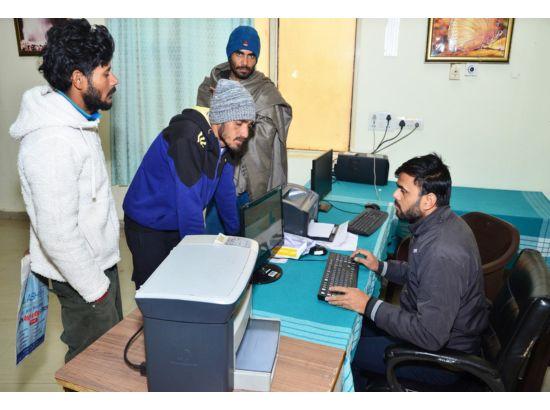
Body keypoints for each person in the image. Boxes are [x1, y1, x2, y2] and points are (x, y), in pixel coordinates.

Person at [326, 153, 490, 390]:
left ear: (428, 200)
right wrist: (380, 266)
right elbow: (419, 273)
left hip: (442, 360)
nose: (395, 194)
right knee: (353, 325)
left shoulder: (441, 252)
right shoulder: (440, 224)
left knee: (343, 350)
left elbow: (430, 335)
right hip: (431, 329)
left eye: (403, 191)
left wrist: (368, 304)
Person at [10, 19, 122, 363]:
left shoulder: (77, 119)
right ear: (78, 79)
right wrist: (97, 290)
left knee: (109, 358)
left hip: (98, 266)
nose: (114, 80)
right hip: (82, 278)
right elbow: (58, 235)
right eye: (106, 73)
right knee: (92, 366)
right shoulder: (52, 143)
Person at [123, 79, 256, 289]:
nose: (245, 133)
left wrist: (239, 238)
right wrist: (199, 259)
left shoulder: (226, 142)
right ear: (220, 118)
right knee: (154, 291)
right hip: (147, 223)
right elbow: (190, 206)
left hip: (175, 221)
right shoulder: (186, 138)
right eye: (239, 123)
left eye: (249, 125)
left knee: (180, 285)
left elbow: (226, 195)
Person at [197, 25, 292, 232]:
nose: (245, 62)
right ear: (230, 53)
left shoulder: (265, 92)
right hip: (217, 179)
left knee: (251, 240)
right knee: (214, 241)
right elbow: (203, 133)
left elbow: (270, 138)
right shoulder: (210, 87)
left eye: (251, 56)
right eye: (239, 54)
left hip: (250, 184)